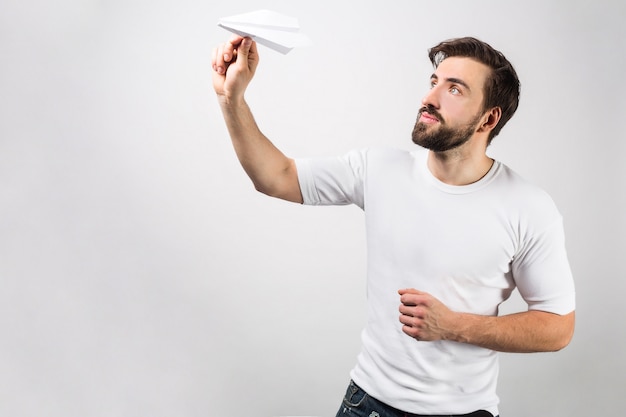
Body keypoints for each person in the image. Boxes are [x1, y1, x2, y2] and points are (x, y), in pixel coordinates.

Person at [211, 35, 576, 417]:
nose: (429, 98)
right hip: (368, 404)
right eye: (434, 81)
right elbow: (277, 176)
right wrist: (230, 100)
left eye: (454, 89)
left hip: (466, 411)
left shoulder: (528, 208)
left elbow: (557, 327)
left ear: (489, 118)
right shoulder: (379, 169)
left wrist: (453, 326)